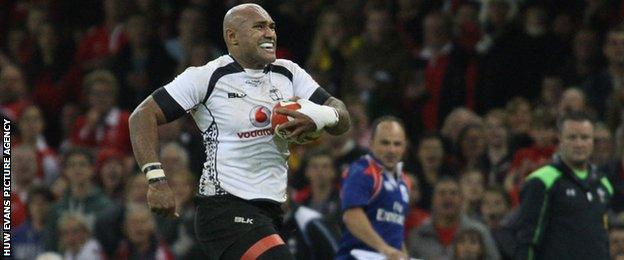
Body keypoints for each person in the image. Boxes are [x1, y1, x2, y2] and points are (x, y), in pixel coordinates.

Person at [128, 3, 350, 260]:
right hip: (223, 208)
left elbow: (341, 115)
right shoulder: (207, 77)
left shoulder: (288, 72)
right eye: (259, 27)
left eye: (272, 27)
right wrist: (156, 180)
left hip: (271, 210)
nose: (269, 33)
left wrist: (321, 117)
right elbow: (142, 116)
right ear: (232, 36)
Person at [515, 111, 613, 259]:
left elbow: (602, 239)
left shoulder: (603, 183)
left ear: (593, 141)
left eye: (585, 138)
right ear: (560, 139)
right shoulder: (542, 181)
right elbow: (527, 241)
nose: (579, 144)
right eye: (572, 137)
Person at [337, 116, 410, 260]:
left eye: (397, 144)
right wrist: (385, 250)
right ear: (371, 144)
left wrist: (403, 255)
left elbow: (395, 228)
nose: (391, 150)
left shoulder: (405, 182)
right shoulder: (362, 172)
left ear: (404, 147)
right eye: (385, 143)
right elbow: (351, 216)